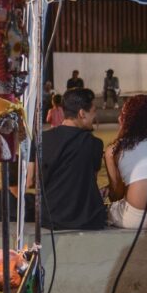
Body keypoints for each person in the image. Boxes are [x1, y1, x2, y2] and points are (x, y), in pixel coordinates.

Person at [27, 88, 105, 230]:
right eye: (94, 112)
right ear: (82, 113)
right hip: (87, 220)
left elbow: (30, 181)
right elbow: (90, 181)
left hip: (49, 219)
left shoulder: (40, 140)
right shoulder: (94, 143)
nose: (96, 117)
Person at [105, 95, 147, 228]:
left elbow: (116, 195)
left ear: (127, 119)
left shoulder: (115, 150)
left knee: (110, 209)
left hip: (136, 219)